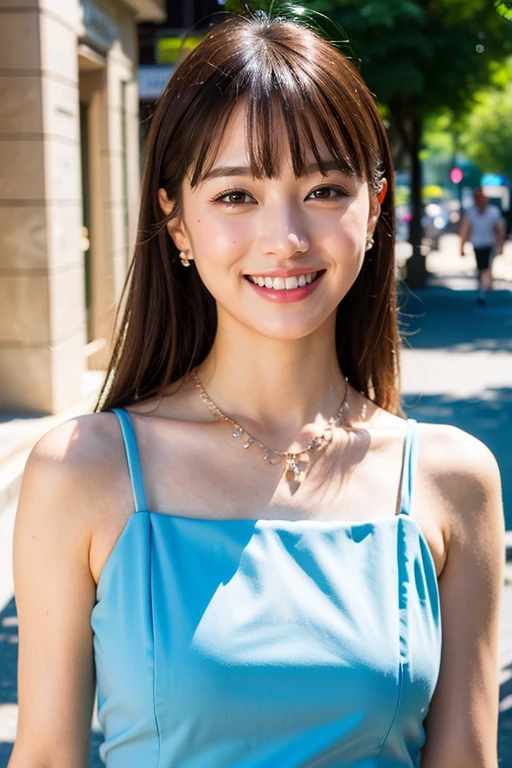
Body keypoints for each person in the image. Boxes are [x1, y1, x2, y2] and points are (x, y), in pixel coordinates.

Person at [9, 11, 504, 768]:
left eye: (325, 189)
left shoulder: (452, 480)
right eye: (236, 195)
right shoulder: (81, 470)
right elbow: (45, 756)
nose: (287, 238)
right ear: (176, 222)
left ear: (373, 211)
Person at [460, 187, 505, 306]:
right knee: (481, 267)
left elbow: (499, 230)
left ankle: (483, 291)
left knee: (486, 267)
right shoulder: (471, 212)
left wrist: (500, 246)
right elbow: (465, 229)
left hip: (489, 243)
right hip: (477, 243)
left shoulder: (493, 212)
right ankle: (482, 289)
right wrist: (462, 246)